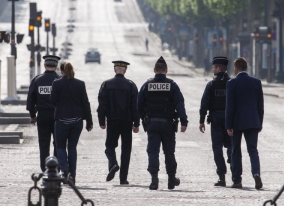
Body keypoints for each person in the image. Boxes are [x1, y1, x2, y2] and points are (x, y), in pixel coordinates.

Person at [137, 56, 188, 190]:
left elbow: (138, 105)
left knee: (153, 151)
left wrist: (142, 119)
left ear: (154, 70)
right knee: (169, 152)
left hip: (152, 124)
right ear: (166, 70)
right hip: (168, 124)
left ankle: (154, 180)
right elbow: (179, 104)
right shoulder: (172, 85)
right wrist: (184, 121)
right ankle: (171, 179)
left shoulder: (147, 85)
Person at [49, 62, 93, 184]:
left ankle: (65, 170)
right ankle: (72, 177)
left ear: (61, 71)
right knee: (72, 148)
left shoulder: (57, 83)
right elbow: (86, 103)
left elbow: (52, 101)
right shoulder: (80, 84)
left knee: (61, 147)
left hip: (61, 120)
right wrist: (89, 122)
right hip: (77, 121)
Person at [98, 60, 140, 185]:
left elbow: (102, 105)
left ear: (115, 69)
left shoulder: (106, 84)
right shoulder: (131, 85)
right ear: (125, 70)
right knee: (126, 150)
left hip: (112, 120)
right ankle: (123, 178)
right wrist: (136, 123)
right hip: (127, 121)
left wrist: (102, 121)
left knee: (110, 146)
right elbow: (135, 106)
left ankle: (113, 164)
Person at [225, 57, 264, 190]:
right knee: (253, 149)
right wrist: (259, 123)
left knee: (235, 149)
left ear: (236, 68)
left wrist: (228, 125)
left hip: (237, 122)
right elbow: (260, 105)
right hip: (253, 121)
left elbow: (229, 106)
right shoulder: (257, 82)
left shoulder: (232, 83)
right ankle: (256, 173)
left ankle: (237, 180)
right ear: (246, 67)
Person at [199, 56, 232, 187]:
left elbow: (204, 103)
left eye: (214, 67)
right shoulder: (232, 83)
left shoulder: (212, 84)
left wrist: (201, 120)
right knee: (231, 146)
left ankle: (222, 177)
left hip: (216, 118)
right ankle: (235, 174)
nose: (213, 69)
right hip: (230, 119)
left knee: (217, 147)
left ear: (218, 68)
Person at [26, 55, 61, 172]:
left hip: (43, 115)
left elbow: (31, 99)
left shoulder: (37, 80)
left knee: (43, 143)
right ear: (56, 66)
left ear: (45, 66)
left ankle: (45, 167)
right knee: (58, 143)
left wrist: (32, 115)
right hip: (58, 116)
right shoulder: (60, 80)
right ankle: (56, 167)